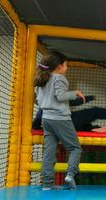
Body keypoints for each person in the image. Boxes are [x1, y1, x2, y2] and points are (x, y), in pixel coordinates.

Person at [34, 50, 85, 190]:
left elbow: (38, 101)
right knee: (75, 148)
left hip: (46, 119)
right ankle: (69, 175)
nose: (66, 68)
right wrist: (76, 93)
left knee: (49, 152)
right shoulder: (58, 78)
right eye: (65, 65)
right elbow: (61, 96)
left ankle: (47, 184)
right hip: (60, 118)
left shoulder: (42, 79)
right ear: (58, 67)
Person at [32, 91, 106, 132]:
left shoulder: (48, 105)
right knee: (94, 112)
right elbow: (36, 124)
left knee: (83, 124)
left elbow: (75, 102)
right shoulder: (43, 109)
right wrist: (90, 97)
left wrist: (89, 97)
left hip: (70, 125)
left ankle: (94, 129)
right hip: (70, 122)